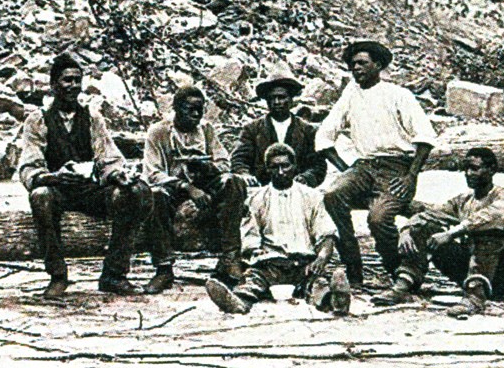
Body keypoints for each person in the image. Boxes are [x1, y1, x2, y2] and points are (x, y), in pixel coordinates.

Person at [19, 53, 151, 299]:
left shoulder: (92, 118)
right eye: (66, 80)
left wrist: (117, 175)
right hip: (60, 189)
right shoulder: (38, 120)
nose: (73, 86)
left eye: (77, 80)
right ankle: (58, 275)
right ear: (53, 85)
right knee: (40, 196)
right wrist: (51, 176)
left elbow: (108, 157)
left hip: (89, 190)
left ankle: (114, 274)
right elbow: (29, 166)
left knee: (132, 192)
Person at [316, 39, 437, 286]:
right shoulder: (350, 94)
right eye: (352, 65)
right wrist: (345, 169)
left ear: (378, 65)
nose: (356, 68)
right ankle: (353, 266)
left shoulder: (399, 95)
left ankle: (397, 270)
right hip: (364, 165)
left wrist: (410, 176)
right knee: (332, 195)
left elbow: (425, 138)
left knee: (378, 218)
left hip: (397, 167)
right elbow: (324, 136)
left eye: (362, 63)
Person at [372, 147, 504, 318]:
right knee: (423, 227)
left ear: (492, 170)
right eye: (466, 169)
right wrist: (407, 230)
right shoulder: (463, 201)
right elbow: (430, 214)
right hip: (469, 270)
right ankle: (404, 284)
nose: (469, 173)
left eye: (475, 168)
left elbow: (492, 217)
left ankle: (475, 298)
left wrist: (452, 233)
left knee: (488, 231)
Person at [206, 143, 350, 316]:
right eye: (275, 167)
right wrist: (254, 252)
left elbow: (326, 233)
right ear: (267, 169)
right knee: (251, 282)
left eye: (285, 166)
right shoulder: (257, 198)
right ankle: (237, 303)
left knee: (317, 284)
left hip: (303, 264)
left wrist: (321, 258)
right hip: (270, 265)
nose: (281, 172)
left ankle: (336, 301)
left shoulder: (311, 196)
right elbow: (249, 234)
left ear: (295, 167)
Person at [143, 85, 246, 288]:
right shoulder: (158, 132)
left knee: (233, 183)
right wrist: (186, 187)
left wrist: (207, 166)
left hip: (205, 183)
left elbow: (224, 162)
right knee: (155, 195)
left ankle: (230, 258)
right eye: (189, 109)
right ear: (176, 108)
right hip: (173, 188)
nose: (196, 114)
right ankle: (164, 268)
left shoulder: (206, 130)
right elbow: (153, 173)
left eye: (200, 109)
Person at [231, 65, 326, 188]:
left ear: (291, 100)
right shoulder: (252, 129)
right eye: (271, 98)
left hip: (297, 190)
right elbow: (240, 159)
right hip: (261, 189)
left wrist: (306, 178)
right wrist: (245, 175)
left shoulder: (308, 130)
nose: (276, 102)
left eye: (281, 97)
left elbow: (318, 164)